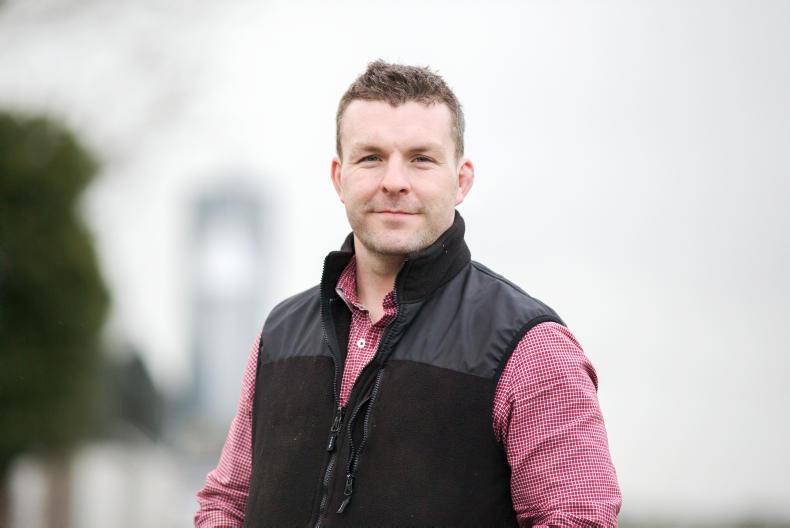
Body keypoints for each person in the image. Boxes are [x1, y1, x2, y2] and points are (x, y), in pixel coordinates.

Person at [194, 60, 622, 527]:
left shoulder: (530, 348)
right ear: (339, 177)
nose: (394, 181)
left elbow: (579, 516)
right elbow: (226, 503)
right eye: (371, 157)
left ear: (461, 180)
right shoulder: (280, 334)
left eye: (421, 158)